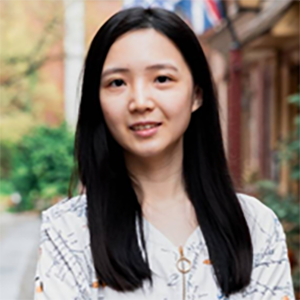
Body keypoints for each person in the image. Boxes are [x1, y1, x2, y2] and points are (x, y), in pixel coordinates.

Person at [34, 7, 295, 300]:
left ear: (197, 93)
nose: (140, 101)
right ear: (98, 101)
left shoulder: (256, 225)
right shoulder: (68, 231)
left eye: (162, 79)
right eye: (117, 83)